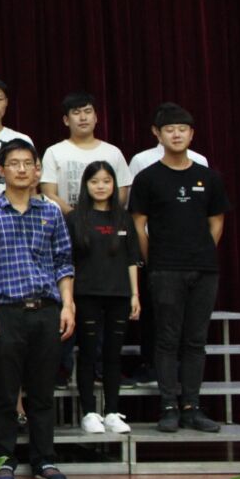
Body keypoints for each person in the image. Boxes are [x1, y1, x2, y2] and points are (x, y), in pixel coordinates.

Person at [0, 138, 75, 479]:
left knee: (43, 392)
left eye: (28, 163)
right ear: (1, 170)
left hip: (46, 309)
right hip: (5, 311)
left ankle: (44, 459)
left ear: (37, 170)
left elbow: (63, 262)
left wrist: (68, 304)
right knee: (5, 392)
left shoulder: (51, 213)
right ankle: (2, 461)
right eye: (14, 163)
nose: (21, 169)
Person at [129, 103, 230, 433]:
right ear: (158, 135)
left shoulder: (208, 177)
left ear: (191, 134)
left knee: (196, 340)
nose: (176, 134)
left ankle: (192, 406)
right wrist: (153, 259)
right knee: (167, 339)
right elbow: (138, 223)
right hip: (164, 268)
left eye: (182, 129)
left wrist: (201, 250)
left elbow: (217, 221)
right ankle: (168, 406)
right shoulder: (147, 178)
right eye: (169, 129)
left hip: (203, 268)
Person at [67, 162, 140, 435]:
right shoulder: (75, 218)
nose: (101, 186)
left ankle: (112, 412)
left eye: (106, 181)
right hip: (86, 294)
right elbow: (68, 261)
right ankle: (89, 412)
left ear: (114, 185)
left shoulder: (123, 218)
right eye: (95, 181)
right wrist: (69, 299)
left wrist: (135, 294)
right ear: (86, 185)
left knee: (112, 355)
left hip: (119, 294)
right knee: (88, 353)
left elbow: (132, 259)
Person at [40, 92, 133, 214]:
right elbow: (49, 194)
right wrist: (75, 217)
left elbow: (122, 193)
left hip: (107, 222)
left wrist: (101, 217)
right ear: (66, 120)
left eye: (88, 111)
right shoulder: (54, 152)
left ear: (95, 118)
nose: (83, 117)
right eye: (76, 113)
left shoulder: (113, 152)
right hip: (67, 222)